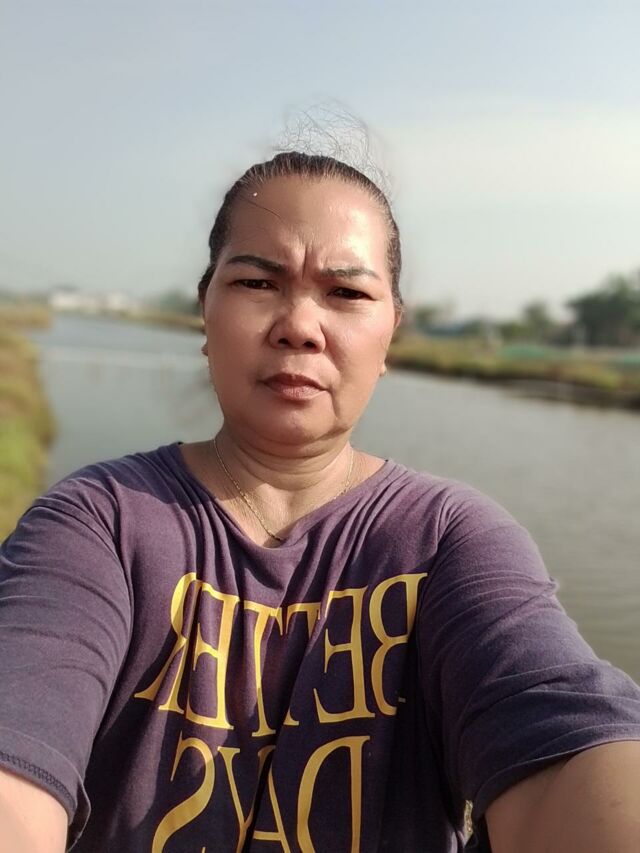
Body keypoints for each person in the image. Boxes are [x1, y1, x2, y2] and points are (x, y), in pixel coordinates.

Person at [1, 151, 640, 853]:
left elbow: (557, 734)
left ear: (391, 330)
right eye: (256, 282)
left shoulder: (448, 538)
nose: (300, 326)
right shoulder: (100, 520)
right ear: (205, 309)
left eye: (346, 293)